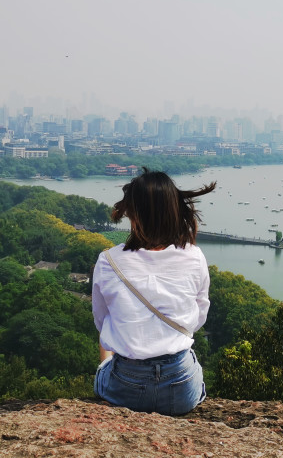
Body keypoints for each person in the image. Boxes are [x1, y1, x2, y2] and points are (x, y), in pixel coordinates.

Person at [92, 168, 216, 416]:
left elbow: (102, 321)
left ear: (133, 215)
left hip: (126, 384)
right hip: (180, 386)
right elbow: (198, 318)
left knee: (107, 353)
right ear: (174, 210)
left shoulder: (108, 261)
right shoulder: (194, 257)